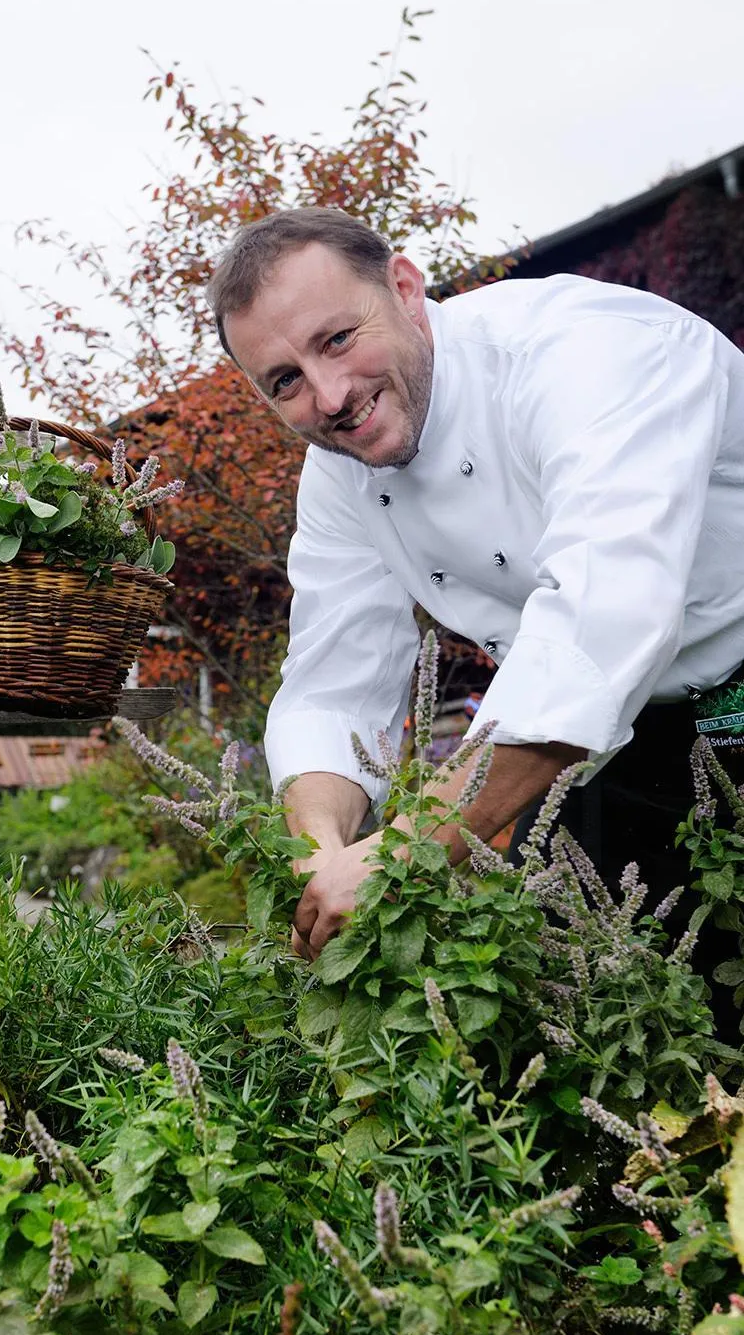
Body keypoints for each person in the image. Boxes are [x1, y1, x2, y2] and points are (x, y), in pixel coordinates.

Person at [206, 207, 744, 964]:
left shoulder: (588, 353)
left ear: (404, 288)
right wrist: (319, 851)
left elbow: (602, 619)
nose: (329, 397)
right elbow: (334, 684)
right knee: (583, 996)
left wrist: (403, 851)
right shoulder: (338, 472)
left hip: (706, 675)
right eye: (286, 381)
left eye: (338, 339)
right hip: (608, 736)